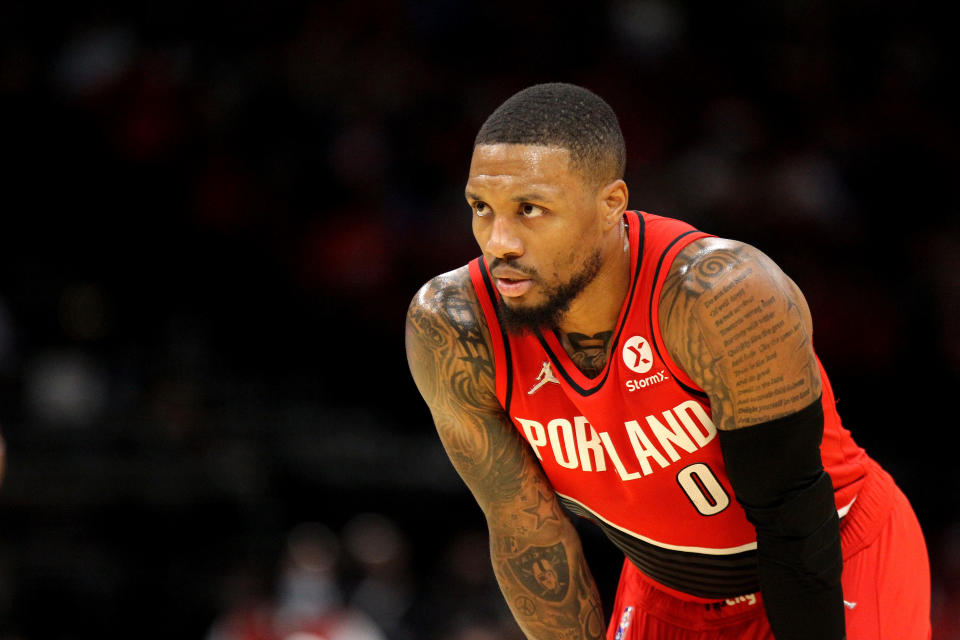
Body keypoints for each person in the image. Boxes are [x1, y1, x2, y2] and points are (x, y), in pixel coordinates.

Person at [404, 83, 930, 640]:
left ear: (611, 206)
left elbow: (791, 523)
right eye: (481, 209)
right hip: (668, 587)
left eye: (530, 209)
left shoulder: (721, 297)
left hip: (833, 552)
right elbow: (529, 536)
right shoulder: (454, 326)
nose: (499, 241)